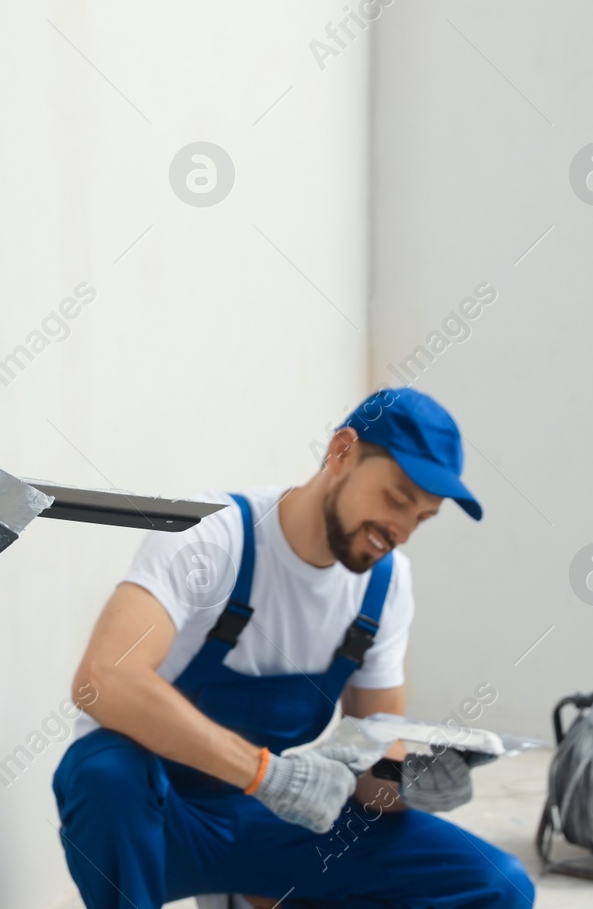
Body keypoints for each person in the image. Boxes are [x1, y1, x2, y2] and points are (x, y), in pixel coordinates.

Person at [51, 387, 535, 908]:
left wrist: (407, 781)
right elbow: (103, 679)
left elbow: (374, 747)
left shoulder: (385, 586)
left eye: (421, 517)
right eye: (396, 498)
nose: (400, 531)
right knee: (104, 772)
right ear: (341, 451)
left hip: (269, 824)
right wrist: (266, 774)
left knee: (497, 885)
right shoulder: (213, 537)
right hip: (159, 818)